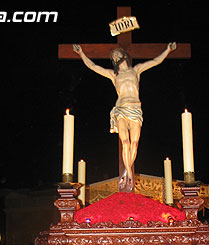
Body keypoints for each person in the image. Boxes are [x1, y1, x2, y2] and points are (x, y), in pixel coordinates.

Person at [73, 42, 177, 191]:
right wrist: (81, 53)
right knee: (126, 143)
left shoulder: (136, 71)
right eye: (113, 56)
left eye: (117, 54)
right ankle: (130, 174)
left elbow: (155, 61)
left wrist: (167, 50)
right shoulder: (114, 75)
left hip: (135, 109)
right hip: (121, 109)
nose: (115, 56)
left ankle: (127, 172)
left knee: (134, 144)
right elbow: (94, 67)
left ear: (124, 56)